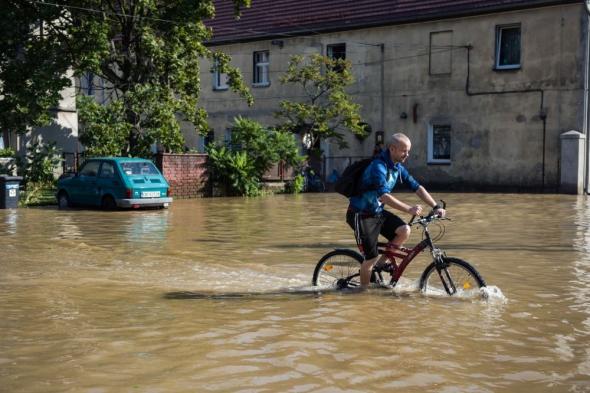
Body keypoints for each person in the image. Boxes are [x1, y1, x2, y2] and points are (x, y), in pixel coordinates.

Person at [346, 132, 446, 289]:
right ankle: (363, 294)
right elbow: (384, 196)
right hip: (360, 215)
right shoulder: (378, 166)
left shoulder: (397, 167)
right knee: (370, 258)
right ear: (392, 149)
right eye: (404, 151)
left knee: (404, 230)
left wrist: (435, 206)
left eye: (408, 151)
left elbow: (417, 187)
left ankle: (380, 265)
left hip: (377, 213)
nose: (407, 154)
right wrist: (409, 209)